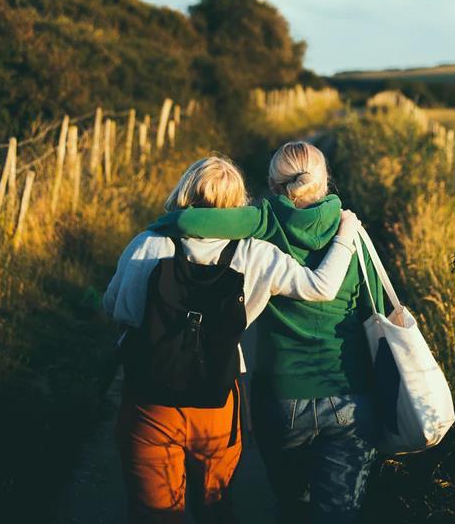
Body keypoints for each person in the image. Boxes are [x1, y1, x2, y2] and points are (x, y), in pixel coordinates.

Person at [102, 154, 359, 523]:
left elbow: (115, 307)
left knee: (153, 513)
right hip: (217, 401)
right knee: (215, 507)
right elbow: (320, 286)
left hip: (150, 401)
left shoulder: (148, 243)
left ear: (184, 191)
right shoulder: (256, 254)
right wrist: (346, 237)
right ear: (239, 203)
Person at [164, 141, 386, 524]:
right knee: (340, 514)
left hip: (281, 397)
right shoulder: (353, 233)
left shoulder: (264, 220)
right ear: (325, 181)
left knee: (291, 506)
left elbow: (187, 223)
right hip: (349, 394)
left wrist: (156, 226)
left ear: (271, 183)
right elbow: (377, 314)